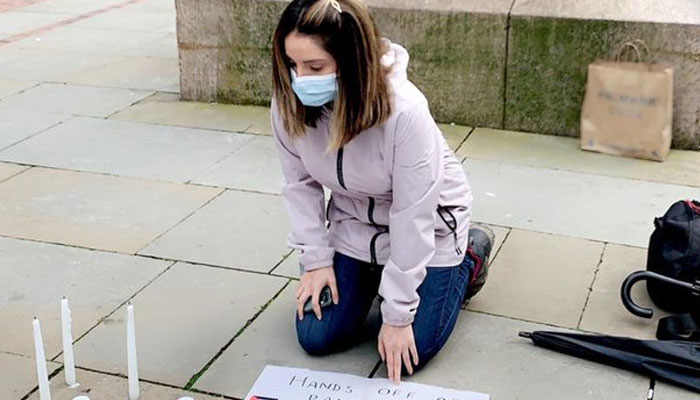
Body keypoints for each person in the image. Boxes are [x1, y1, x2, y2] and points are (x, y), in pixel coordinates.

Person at [270, 0, 494, 384]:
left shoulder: (405, 112)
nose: (300, 79)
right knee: (316, 336)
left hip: (432, 227)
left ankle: (470, 254)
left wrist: (397, 315)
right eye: (292, 65)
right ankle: (371, 275)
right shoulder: (288, 103)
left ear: (352, 60)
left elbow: (414, 215)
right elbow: (299, 186)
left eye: (315, 67)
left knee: (412, 350)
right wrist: (317, 261)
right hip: (355, 224)